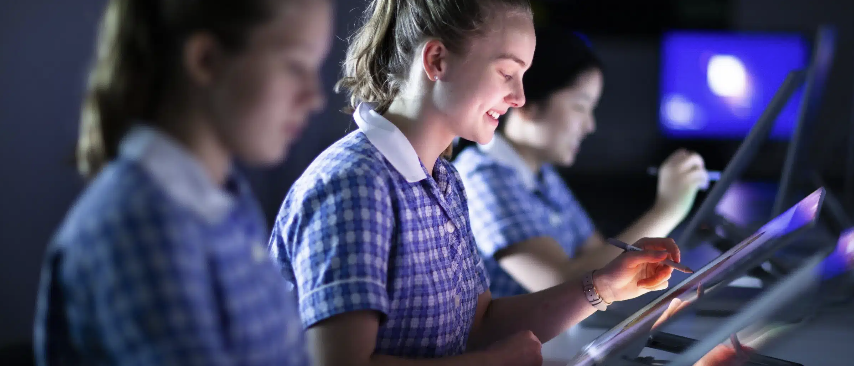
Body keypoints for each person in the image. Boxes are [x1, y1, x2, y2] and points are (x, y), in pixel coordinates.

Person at [269, 2, 683, 365]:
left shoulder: (444, 178)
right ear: (436, 61)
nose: (520, 97)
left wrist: (602, 287)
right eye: (507, 72)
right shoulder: (355, 186)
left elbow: (479, 324)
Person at [32, 0, 332, 364]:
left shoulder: (227, 202)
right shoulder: (138, 230)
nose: (315, 99)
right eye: (295, 66)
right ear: (206, 60)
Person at [452, 27, 709, 298]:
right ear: (526, 103)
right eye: (579, 107)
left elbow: (598, 255)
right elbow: (562, 282)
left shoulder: (541, 175)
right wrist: (668, 209)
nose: (589, 125)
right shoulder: (484, 176)